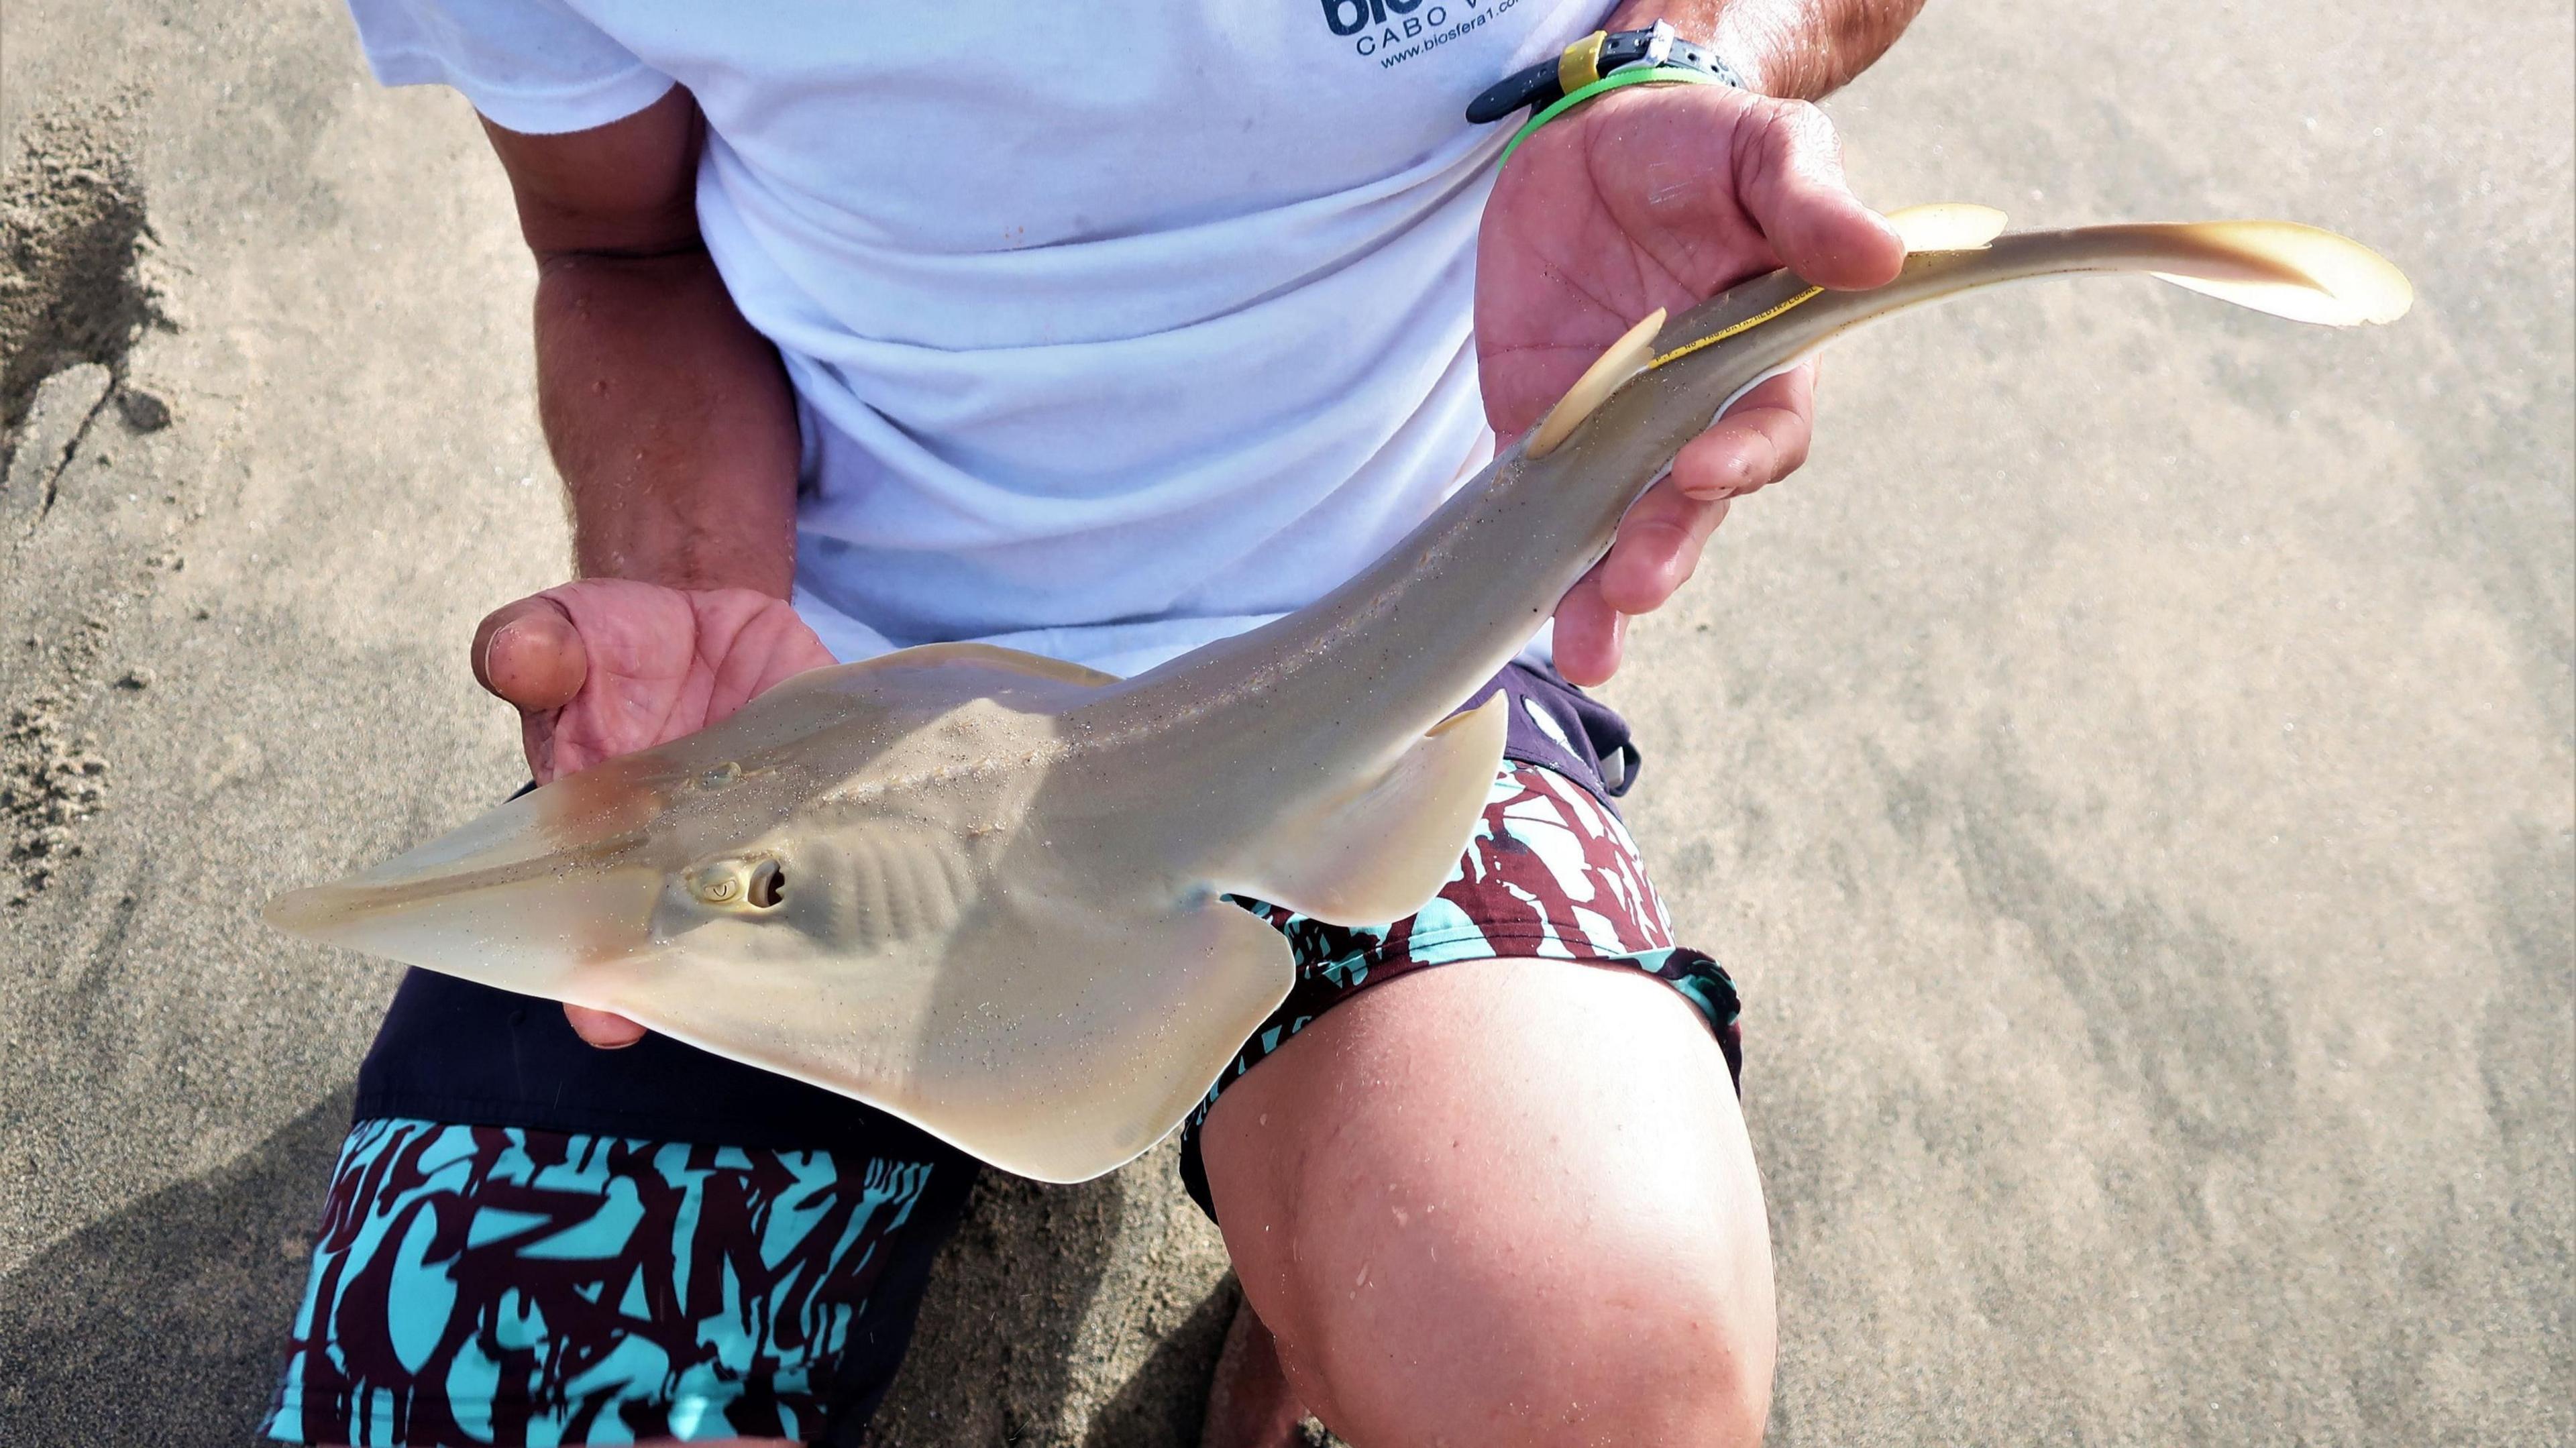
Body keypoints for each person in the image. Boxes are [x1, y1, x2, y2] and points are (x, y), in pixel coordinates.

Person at [264, 3, 1925, 1444]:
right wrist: (699, 586)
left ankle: (1328, 1238)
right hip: (818, 683)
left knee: (1590, 1366)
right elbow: (616, 244)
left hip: (1384, 646)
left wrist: (1676, 61)